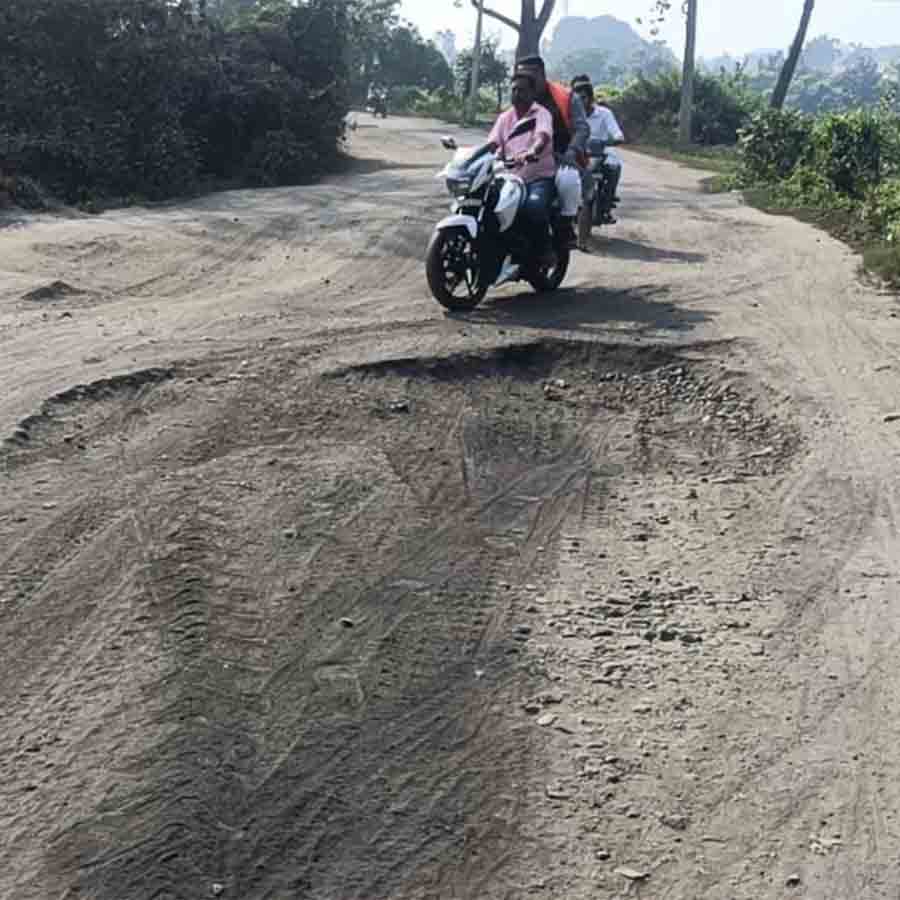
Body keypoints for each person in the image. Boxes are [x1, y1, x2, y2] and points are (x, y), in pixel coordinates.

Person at [514, 55, 590, 250]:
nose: (523, 79)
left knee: (568, 180)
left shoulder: (566, 97)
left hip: (560, 156)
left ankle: (565, 227)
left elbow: (582, 128)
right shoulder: (520, 95)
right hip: (524, 157)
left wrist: (572, 152)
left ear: (541, 75)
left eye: (528, 75)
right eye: (519, 75)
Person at [486, 71, 557, 265]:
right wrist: (474, 156)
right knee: (485, 204)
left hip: (537, 177)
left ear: (532, 93)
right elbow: (492, 144)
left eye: (522, 90)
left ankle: (545, 250)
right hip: (508, 177)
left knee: (532, 207)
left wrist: (532, 151)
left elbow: (543, 136)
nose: (517, 94)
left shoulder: (541, 113)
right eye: (514, 90)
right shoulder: (505, 118)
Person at [572, 76, 625, 238]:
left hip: (601, 153)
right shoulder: (571, 115)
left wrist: (610, 140)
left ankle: (607, 203)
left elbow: (618, 134)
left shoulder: (605, 113)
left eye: (584, 98)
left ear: (591, 98)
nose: (580, 102)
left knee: (615, 166)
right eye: (577, 99)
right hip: (578, 154)